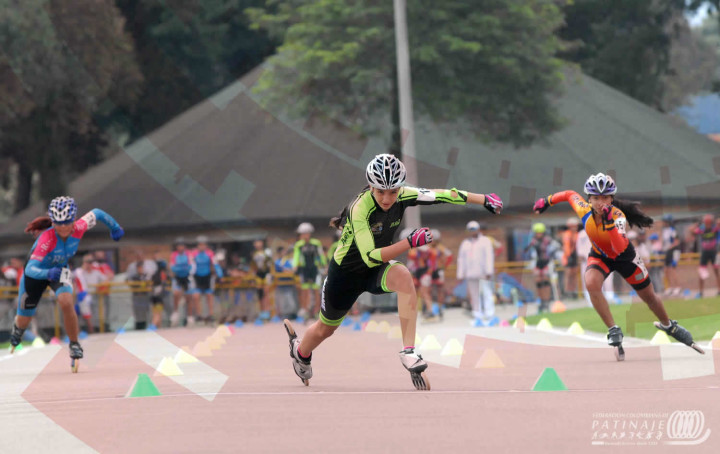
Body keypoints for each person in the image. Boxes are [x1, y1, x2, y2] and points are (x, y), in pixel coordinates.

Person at [284, 153, 503, 389]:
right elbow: (370, 256)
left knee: (403, 276)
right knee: (325, 329)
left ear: (400, 187)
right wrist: (409, 242)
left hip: (375, 269)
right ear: (371, 187)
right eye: (380, 192)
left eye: (393, 191)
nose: (387, 198)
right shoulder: (360, 209)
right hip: (345, 274)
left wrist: (483, 199)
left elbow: (443, 195)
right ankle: (300, 352)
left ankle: (409, 351)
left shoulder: (404, 195)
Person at [533, 173, 703, 358]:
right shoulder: (583, 209)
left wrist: (609, 225)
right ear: (589, 199)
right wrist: (546, 201)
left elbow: (619, 247)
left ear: (611, 198)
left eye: (605, 197)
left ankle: (668, 325)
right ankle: (613, 329)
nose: (600, 202)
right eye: (596, 198)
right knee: (590, 283)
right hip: (600, 256)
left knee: (649, 297)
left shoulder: (618, 216)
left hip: (625, 258)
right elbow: (568, 194)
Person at [11, 196, 124, 369]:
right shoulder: (46, 239)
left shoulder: (79, 227)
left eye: (67, 222)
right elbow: (29, 270)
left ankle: (74, 344)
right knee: (25, 318)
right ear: (53, 221)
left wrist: (114, 227)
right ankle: (18, 330)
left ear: (73, 219)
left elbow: (98, 213)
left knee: (66, 301)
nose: (63, 227)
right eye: (58, 223)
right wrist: (48, 272)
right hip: (36, 275)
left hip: (59, 270)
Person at [457, 221, 496, 325]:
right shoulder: (465, 243)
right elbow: (461, 259)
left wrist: (489, 271)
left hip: (483, 272)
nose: (472, 232)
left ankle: (489, 314)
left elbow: (489, 256)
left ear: (478, 229)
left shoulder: (485, 241)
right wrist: (461, 273)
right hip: (470, 273)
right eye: (470, 230)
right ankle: (477, 315)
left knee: (487, 293)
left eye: (474, 229)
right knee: (474, 295)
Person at [292, 223, 327, 321]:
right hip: (304, 270)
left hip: (315, 269)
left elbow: (321, 255)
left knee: (316, 290)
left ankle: (316, 312)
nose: (304, 235)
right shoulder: (299, 245)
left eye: (306, 233)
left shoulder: (316, 243)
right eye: (302, 234)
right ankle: (305, 311)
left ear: (309, 233)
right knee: (305, 290)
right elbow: (296, 256)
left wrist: (324, 265)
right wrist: (294, 265)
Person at [524, 222, 560, 313]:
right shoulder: (533, 240)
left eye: (540, 232)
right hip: (537, 263)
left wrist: (551, 254)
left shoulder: (547, 240)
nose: (538, 234)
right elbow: (526, 250)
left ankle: (546, 301)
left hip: (546, 263)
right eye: (537, 232)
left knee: (545, 282)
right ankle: (541, 302)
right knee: (539, 282)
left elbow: (557, 246)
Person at [73, 253, 109, 334]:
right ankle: (79, 332)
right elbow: (74, 279)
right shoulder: (79, 271)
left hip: (89, 295)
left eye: (90, 262)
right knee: (77, 314)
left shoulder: (96, 271)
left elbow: (105, 279)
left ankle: (93, 331)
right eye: (87, 262)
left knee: (89, 315)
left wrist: (100, 288)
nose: (89, 264)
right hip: (81, 295)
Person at [689, 214, 720, 298]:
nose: (707, 224)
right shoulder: (701, 229)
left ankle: (719, 290)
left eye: (709, 223)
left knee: (717, 271)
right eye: (706, 223)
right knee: (701, 273)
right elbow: (691, 230)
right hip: (705, 253)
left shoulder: (715, 228)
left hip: (714, 252)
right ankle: (701, 292)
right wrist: (697, 224)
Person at [191, 236, 217, 324]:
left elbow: (215, 264)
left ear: (206, 245)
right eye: (200, 245)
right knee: (196, 296)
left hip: (208, 277)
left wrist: (218, 274)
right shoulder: (194, 254)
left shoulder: (210, 253)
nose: (202, 246)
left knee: (209, 295)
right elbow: (190, 265)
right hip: (197, 277)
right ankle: (198, 315)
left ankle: (211, 315)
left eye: (203, 245)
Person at [169, 237, 194, 327]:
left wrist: (181, 268)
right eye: (178, 246)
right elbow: (172, 267)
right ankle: (175, 313)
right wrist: (183, 268)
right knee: (176, 294)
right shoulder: (174, 255)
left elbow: (191, 266)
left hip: (187, 277)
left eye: (182, 246)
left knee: (189, 297)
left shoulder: (188, 254)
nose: (180, 247)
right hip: (177, 278)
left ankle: (190, 317)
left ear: (184, 246)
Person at [251, 239, 273, 321]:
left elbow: (271, 264)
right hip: (258, 275)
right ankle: (262, 312)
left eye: (259, 242)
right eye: (256, 243)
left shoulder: (267, 252)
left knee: (266, 293)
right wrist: (253, 277)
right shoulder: (254, 254)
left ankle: (267, 312)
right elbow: (253, 266)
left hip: (266, 274)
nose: (258, 244)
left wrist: (271, 274)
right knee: (260, 294)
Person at [660, 214, 682, 297]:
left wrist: (669, 247)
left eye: (665, 221)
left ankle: (678, 287)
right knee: (666, 270)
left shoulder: (673, 230)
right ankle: (669, 288)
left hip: (674, 251)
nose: (664, 223)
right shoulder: (664, 230)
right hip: (668, 251)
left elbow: (677, 241)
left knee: (673, 269)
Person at [562, 218, 580, 299]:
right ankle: (567, 292)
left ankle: (573, 292)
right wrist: (568, 256)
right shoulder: (567, 234)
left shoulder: (577, 234)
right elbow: (566, 246)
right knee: (568, 275)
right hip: (568, 257)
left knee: (574, 275)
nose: (574, 227)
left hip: (575, 256)